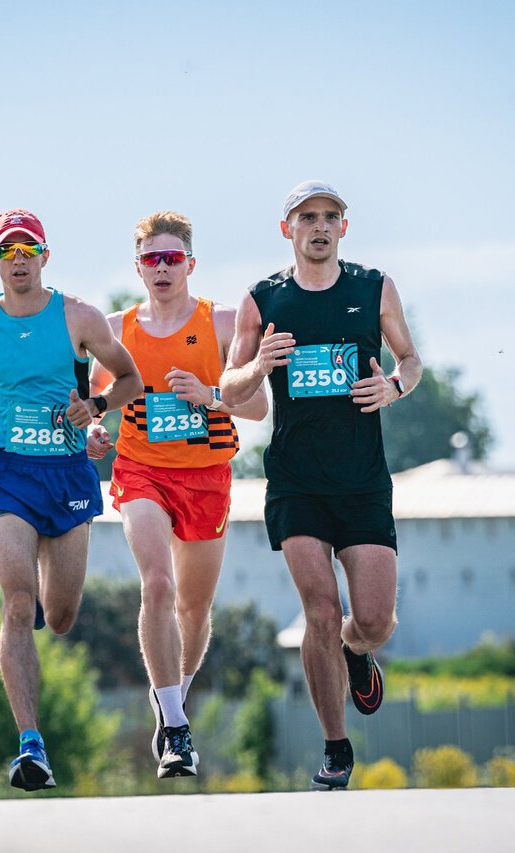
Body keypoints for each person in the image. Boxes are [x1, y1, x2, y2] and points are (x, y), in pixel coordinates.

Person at [219, 181, 422, 791]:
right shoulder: (263, 299)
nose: (320, 226)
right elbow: (230, 390)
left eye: (331, 217)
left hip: (362, 482)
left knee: (375, 620)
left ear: (344, 227)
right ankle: (336, 746)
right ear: (288, 228)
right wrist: (259, 365)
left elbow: (410, 360)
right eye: (308, 217)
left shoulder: (373, 287)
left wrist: (394, 386)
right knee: (320, 608)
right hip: (295, 481)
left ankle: (356, 653)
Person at [0, 208, 141, 791]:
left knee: (63, 614)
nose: (18, 260)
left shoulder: (78, 316)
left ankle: (46, 605)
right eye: (8, 251)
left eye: (28, 250)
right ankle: (31, 746)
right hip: (11, 477)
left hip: (71, 476)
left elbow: (130, 380)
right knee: (18, 605)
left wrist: (95, 409)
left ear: (45, 257)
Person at [86, 211, 267, 779]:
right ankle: (178, 730)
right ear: (137, 266)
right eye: (151, 259)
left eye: (172, 258)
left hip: (207, 475)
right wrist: (92, 430)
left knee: (193, 606)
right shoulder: (116, 328)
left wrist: (212, 394)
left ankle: (173, 700)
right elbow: (94, 397)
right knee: (157, 584)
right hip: (141, 471)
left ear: (191, 263)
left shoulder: (222, 323)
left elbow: (259, 406)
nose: (162, 269)